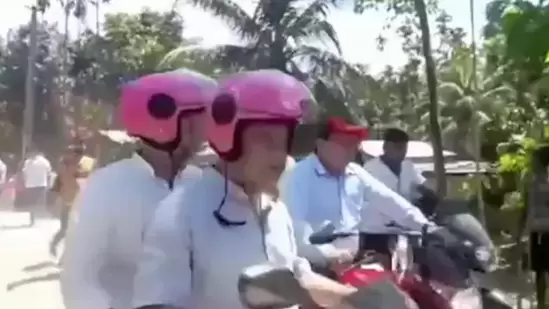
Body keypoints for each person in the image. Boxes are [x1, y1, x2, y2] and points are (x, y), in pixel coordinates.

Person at [132, 70, 357, 309]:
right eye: (265, 140)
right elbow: (155, 304)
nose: (279, 157)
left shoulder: (276, 212)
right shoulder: (181, 212)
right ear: (229, 139)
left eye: (286, 143)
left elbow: (299, 279)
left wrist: (359, 299)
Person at [60, 69, 218, 309]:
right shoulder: (107, 187)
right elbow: (78, 278)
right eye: (200, 118)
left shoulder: (204, 186)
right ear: (169, 122)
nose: (208, 129)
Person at [283, 119, 433, 271]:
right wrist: (329, 255)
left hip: (355, 261)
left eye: (354, 145)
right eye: (344, 144)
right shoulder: (298, 176)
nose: (351, 151)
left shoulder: (356, 173)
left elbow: (392, 202)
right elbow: (296, 237)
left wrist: (427, 227)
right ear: (321, 144)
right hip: (313, 266)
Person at [49, 142, 96, 257]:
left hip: (81, 202)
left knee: (76, 231)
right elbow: (58, 185)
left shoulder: (87, 164)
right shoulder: (65, 167)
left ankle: (66, 255)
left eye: (72, 154)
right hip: (69, 202)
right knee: (65, 229)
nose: (69, 156)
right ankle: (55, 245)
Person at [363, 128, 427, 202]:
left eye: (405, 149)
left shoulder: (408, 166)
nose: (402, 153)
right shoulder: (370, 168)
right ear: (385, 147)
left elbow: (420, 188)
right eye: (398, 148)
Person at [19, 149, 52, 226]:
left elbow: (24, 173)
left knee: (32, 202)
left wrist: (24, 182)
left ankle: (32, 219)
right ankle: (40, 218)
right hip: (41, 184)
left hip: (30, 185)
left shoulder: (27, 162)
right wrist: (48, 183)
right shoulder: (45, 161)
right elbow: (49, 173)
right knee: (40, 202)